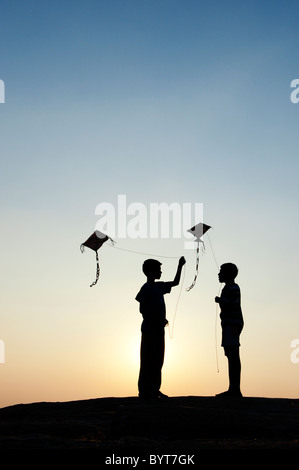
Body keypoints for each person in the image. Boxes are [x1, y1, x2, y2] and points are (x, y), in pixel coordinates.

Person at [136, 256, 186, 399]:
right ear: (150, 272)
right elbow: (142, 309)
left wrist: (180, 266)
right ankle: (145, 389)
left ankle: (154, 388)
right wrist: (157, 319)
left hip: (158, 330)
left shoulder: (159, 287)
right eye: (158, 270)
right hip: (149, 329)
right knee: (147, 359)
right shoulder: (146, 288)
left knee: (158, 359)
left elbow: (175, 282)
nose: (161, 272)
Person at [215, 263, 244, 397]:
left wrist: (220, 300)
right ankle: (233, 388)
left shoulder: (231, 288)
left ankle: (234, 389)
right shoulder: (231, 287)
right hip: (230, 324)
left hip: (231, 324)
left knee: (233, 356)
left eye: (221, 271)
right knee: (231, 355)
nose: (219, 274)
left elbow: (229, 304)